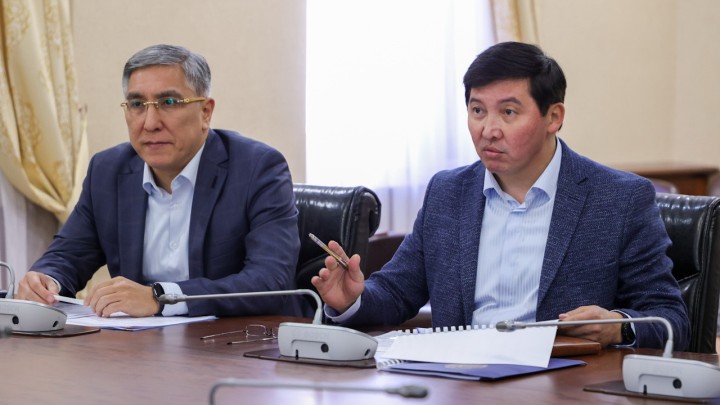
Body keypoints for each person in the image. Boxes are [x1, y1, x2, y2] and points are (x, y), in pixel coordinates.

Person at [312, 41, 690, 350]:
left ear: (554, 117)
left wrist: (619, 326)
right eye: (477, 110)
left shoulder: (619, 199)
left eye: (508, 112)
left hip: (561, 385)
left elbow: (670, 318)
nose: (488, 129)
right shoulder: (448, 192)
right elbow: (397, 292)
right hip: (458, 383)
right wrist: (353, 300)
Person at [16, 44, 305, 318]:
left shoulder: (257, 168)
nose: (150, 122)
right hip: (139, 345)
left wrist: (161, 297)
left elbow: (270, 281)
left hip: (236, 343)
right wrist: (46, 281)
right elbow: (69, 255)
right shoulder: (108, 171)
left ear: (205, 112)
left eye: (169, 102)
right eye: (137, 104)